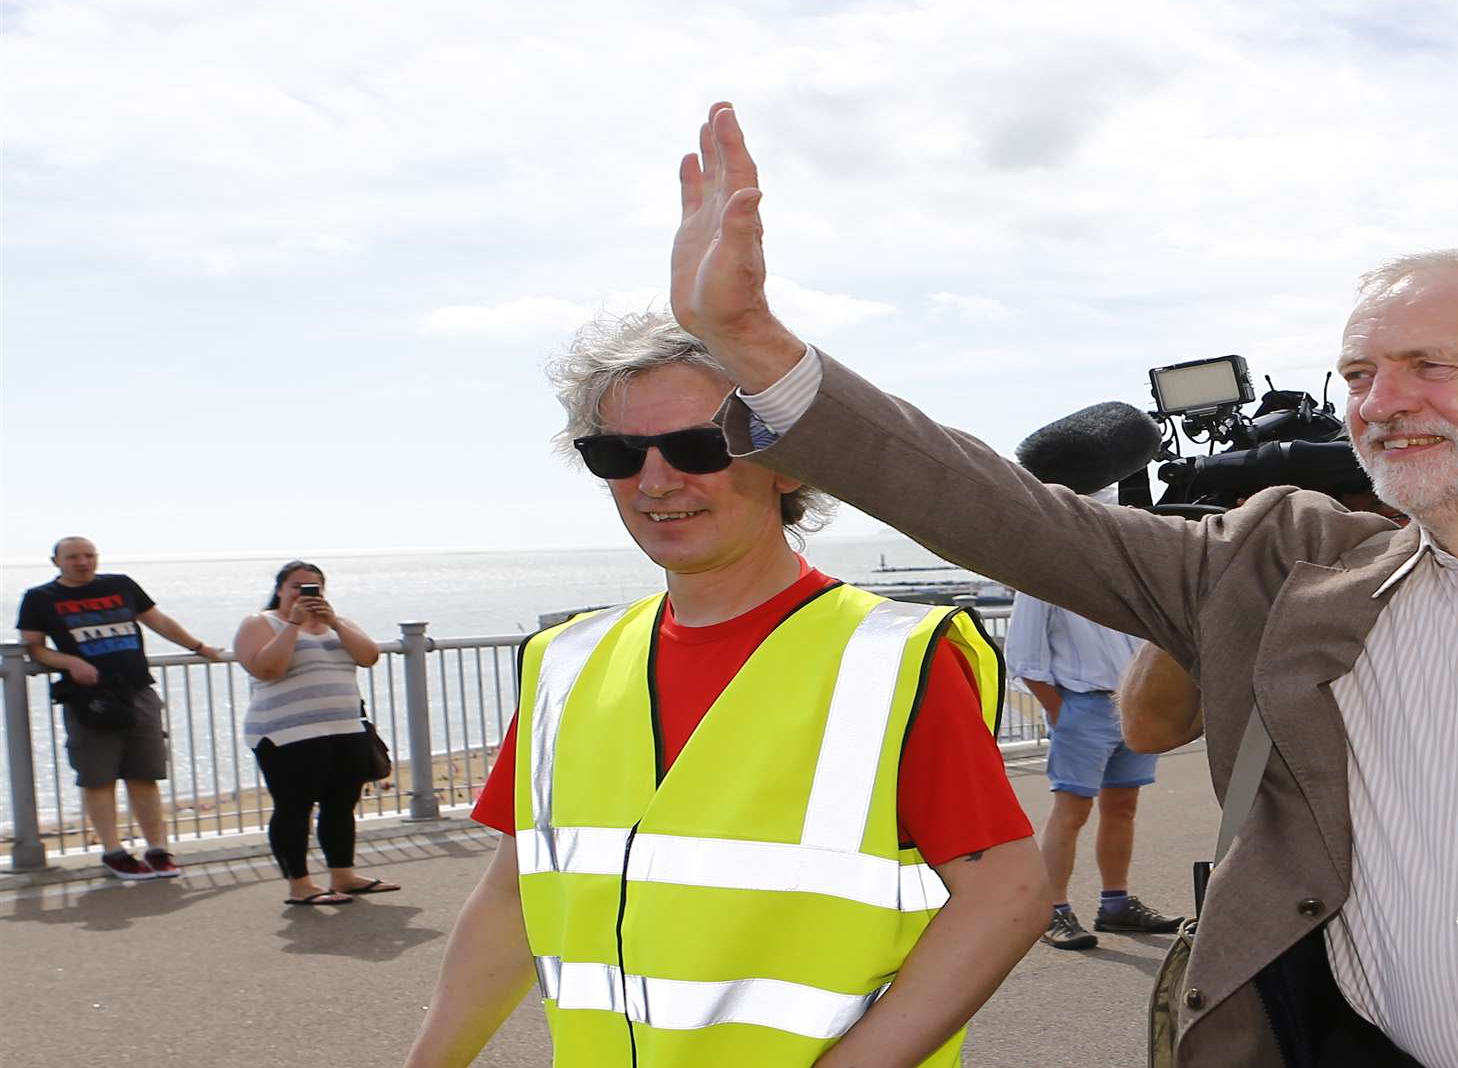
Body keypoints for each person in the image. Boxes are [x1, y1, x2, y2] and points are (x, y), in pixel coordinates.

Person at [666, 103, 1458, 1066]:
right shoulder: (1290, 567)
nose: (1378, 404)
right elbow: (1006, 512)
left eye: (1428, 365)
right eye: (1361, 373)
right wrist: (759, 350)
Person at [404, 313, 1048, 1068]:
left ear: (790, 462)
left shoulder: (893, 659)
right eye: (617, 453)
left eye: (697, 446)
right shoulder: (564, 663)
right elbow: (514, 899)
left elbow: (1006, 896)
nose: (655, 481)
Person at [1006, 502, 1185, 951]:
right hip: (1083, 705)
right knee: (1072, 811)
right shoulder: (1043, 574)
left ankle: (1115, 904)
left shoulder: (1126, 572)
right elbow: (1024, 655)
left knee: (1122, 807)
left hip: (1134, 704)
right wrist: (1059, 710)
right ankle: (1052, 909)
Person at [15, 536, 224, 880]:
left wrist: (199, 646)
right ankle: (114, 853)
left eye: (89, 555)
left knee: (145, 775)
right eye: (73, 557)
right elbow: (34, 648)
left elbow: (158, 621)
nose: (83, 562)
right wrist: (69, 662)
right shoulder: (40, 598)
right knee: (99, 777)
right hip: (90, 698)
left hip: (138, 690)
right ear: (56, 562)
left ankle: (158, 850)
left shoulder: (120, 585)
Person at [230, 561, 393, 906]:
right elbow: (267, 668)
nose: (305, 594)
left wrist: (333, 622)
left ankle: (343, 875)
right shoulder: (260, 624)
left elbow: (369, 656)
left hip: (345, 729)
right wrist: (293, 624)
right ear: (280, 590)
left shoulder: (339, 624)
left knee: (341, 805)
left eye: (314, 587)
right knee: (294, 807)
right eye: (296, 587)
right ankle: (300, 884)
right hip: (286, 734)